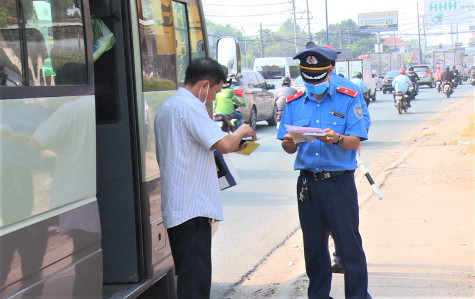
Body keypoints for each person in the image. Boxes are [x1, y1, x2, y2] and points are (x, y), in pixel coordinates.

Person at [154, 57, 256, 299]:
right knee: (195, 285)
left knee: (190, 279)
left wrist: (234, 144)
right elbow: (223, 143)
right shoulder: (190, 107)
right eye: (216, 90)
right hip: (192, 210)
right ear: (205, 84)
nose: (213, 97)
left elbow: (205, 146)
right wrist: (242, 130)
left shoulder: (169, 106)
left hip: (181, 208)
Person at [277, 45, 371, 298]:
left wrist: (338, 139)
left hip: (339, 184)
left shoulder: (348, 98)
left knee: (349, 246)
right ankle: (318, 295)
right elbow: (287, 146)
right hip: (308, 185)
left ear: (329, 72)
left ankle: (358, 295)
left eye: (317, 77)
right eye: (308, 78)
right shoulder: (294, 102)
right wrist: (288, 144)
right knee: (314, 247)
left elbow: (356, 140)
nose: (313, 83)